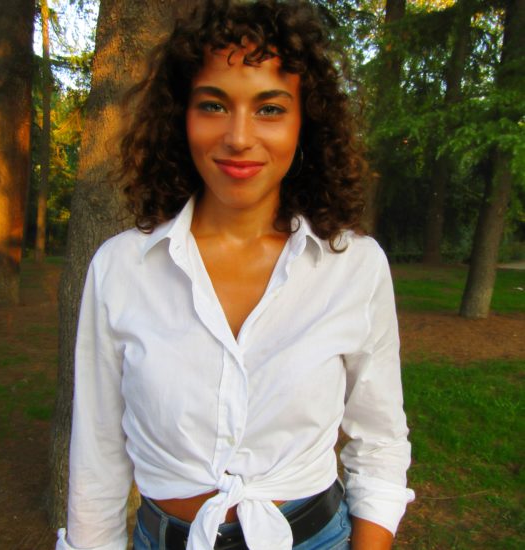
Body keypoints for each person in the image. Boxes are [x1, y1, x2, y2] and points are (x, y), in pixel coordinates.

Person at [56, 1, 414, 549]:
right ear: (182, 116)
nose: (239, 137)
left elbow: (380, 441)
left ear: (305, 122)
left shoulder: (355, 268)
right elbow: (98, 457)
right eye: (213, 105)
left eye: (270, 109)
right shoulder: (122, 267)